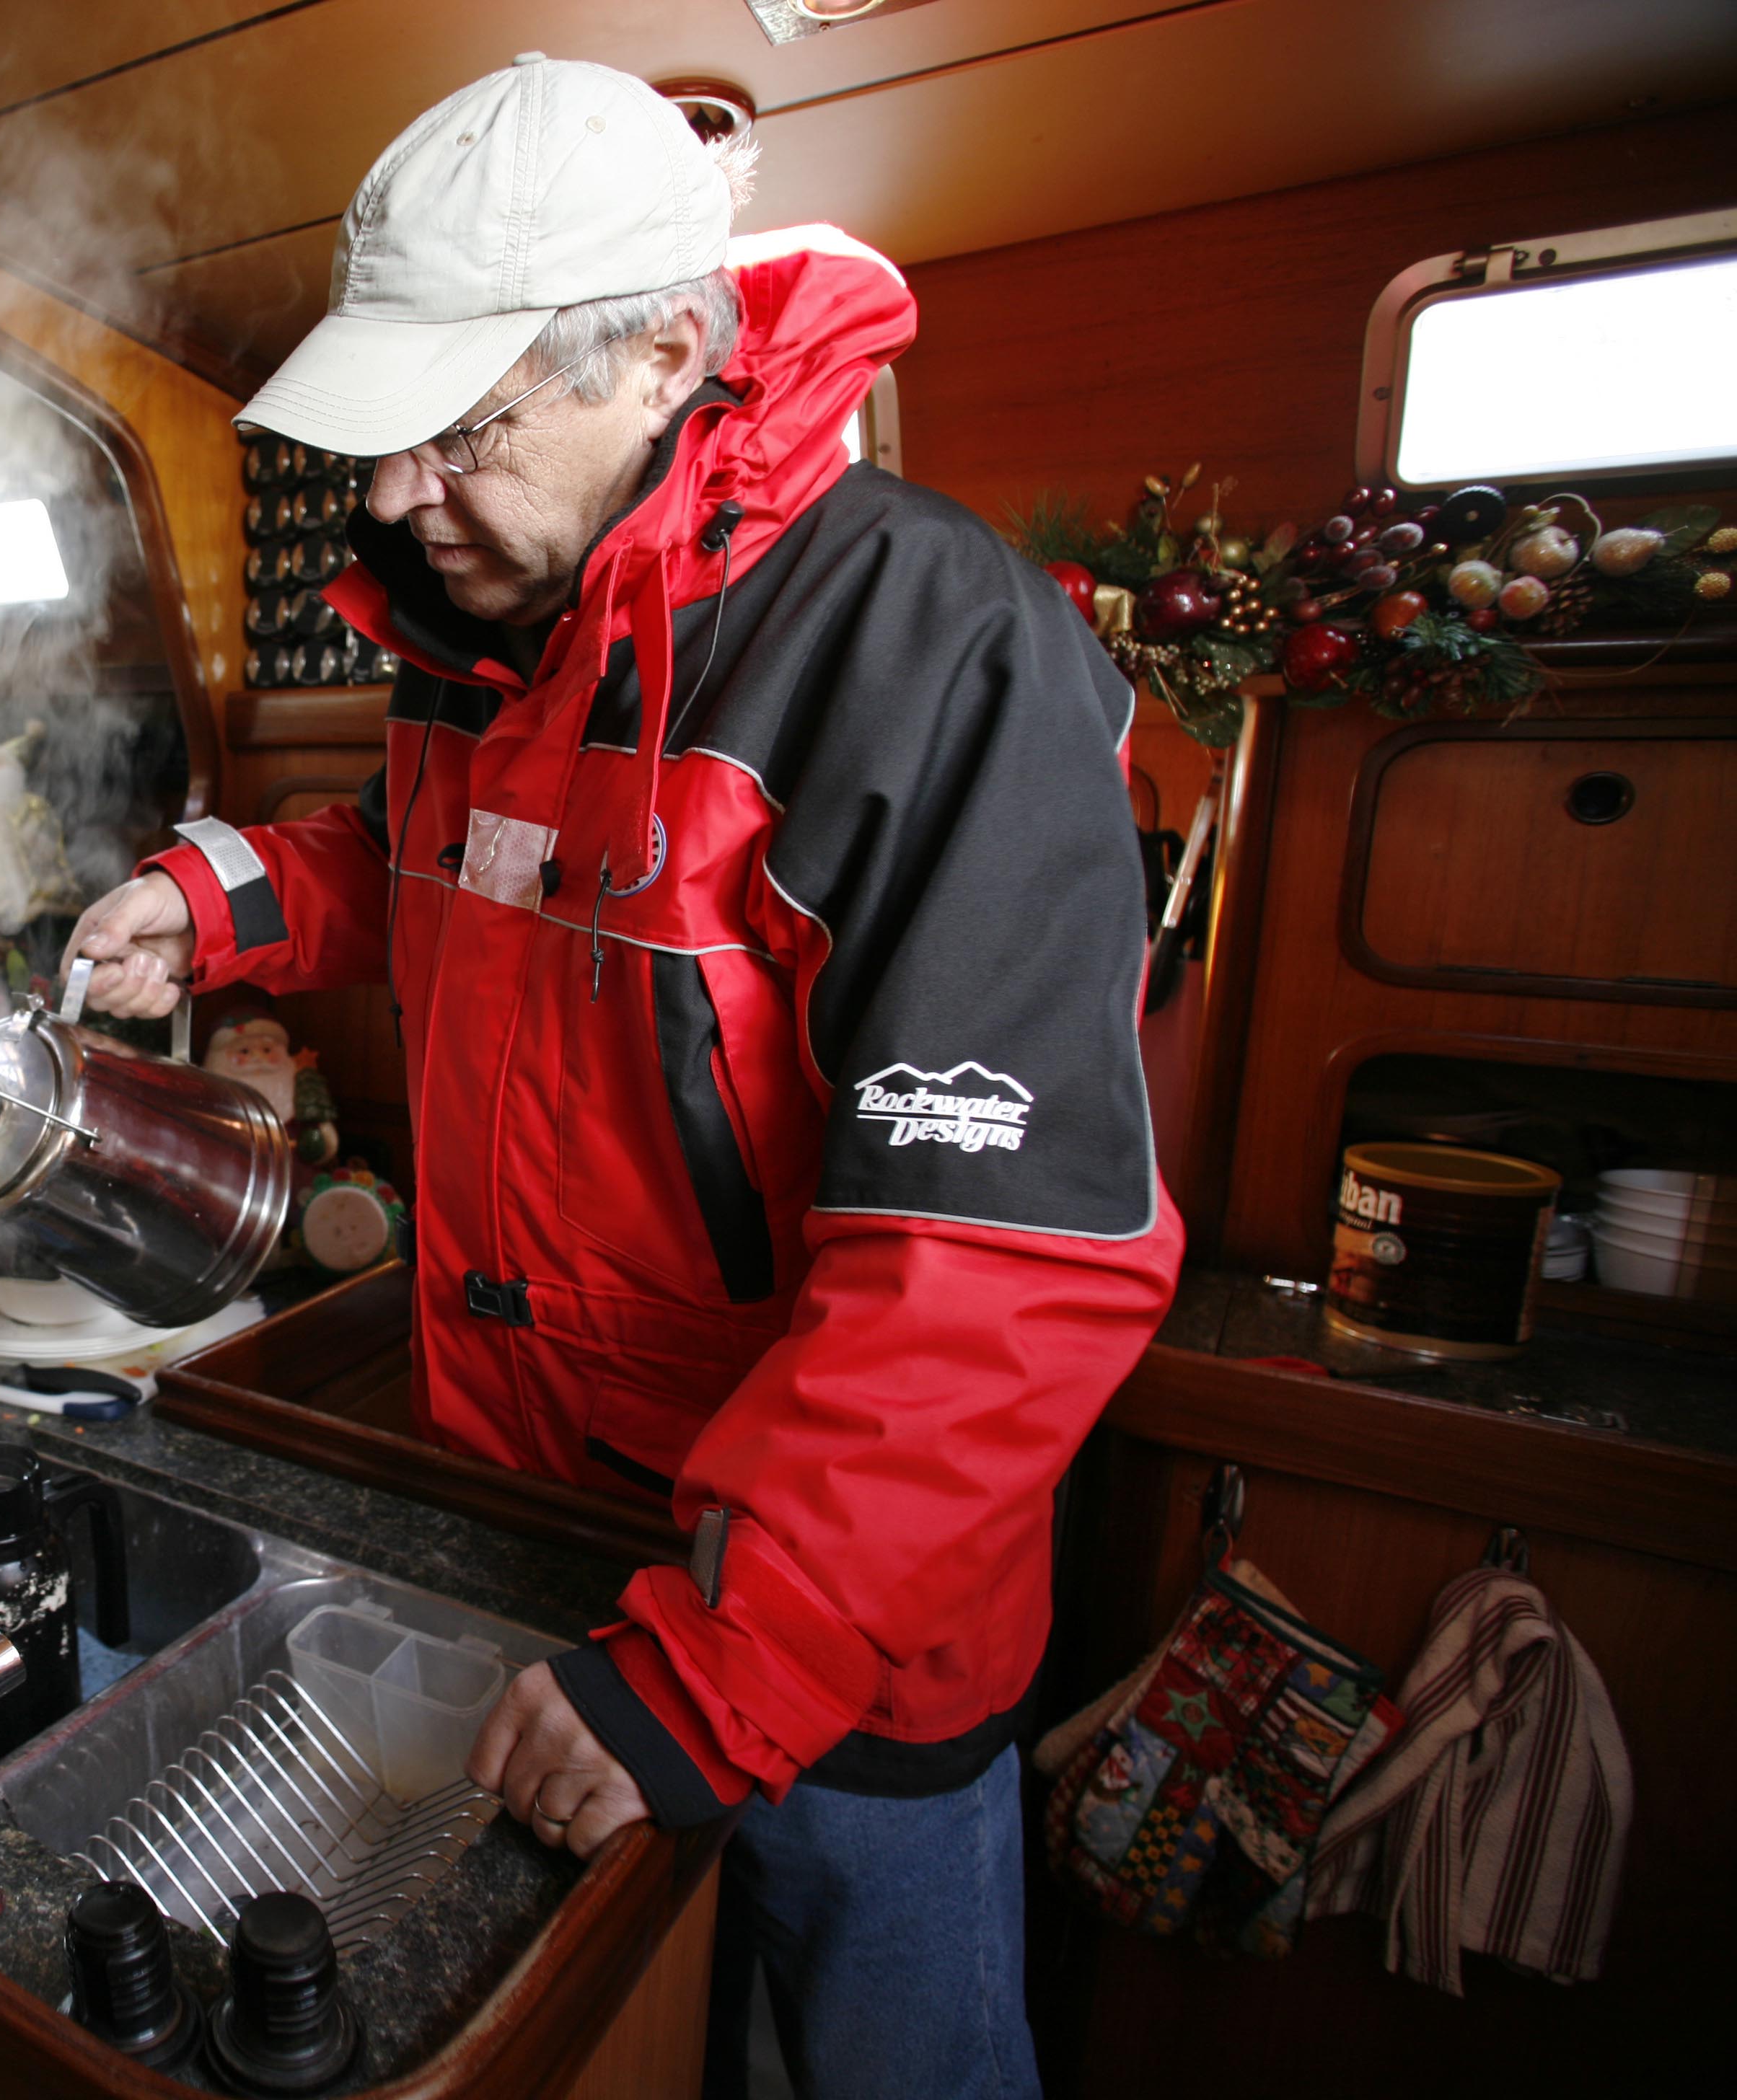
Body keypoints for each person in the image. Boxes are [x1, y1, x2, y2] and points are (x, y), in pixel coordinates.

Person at [64, 54, 1182, 2100]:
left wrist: (712, 1667)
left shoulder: (934, 650)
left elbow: (995, 1275)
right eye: (387, 439)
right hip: (535, 1547)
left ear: (667, 350)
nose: (399, 494)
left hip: (826, 1640)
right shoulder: (496, 621)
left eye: (458, 430)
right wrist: (214, 902)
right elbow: (452, 879)